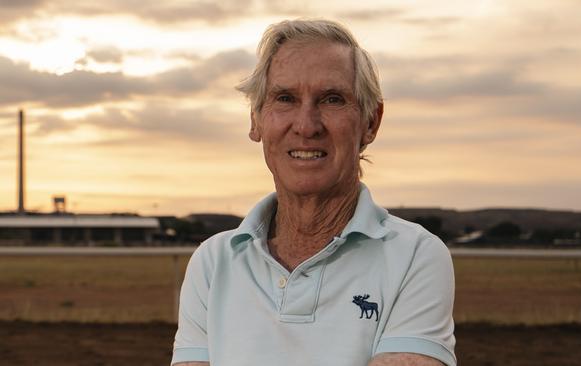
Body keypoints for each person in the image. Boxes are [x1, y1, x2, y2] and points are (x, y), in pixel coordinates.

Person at [171, 19, 456, 366]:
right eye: (285, 98)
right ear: (256, 120)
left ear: (371, 122)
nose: (306, 126)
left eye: (332, 99)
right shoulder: (213, 263)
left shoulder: (415, 256)